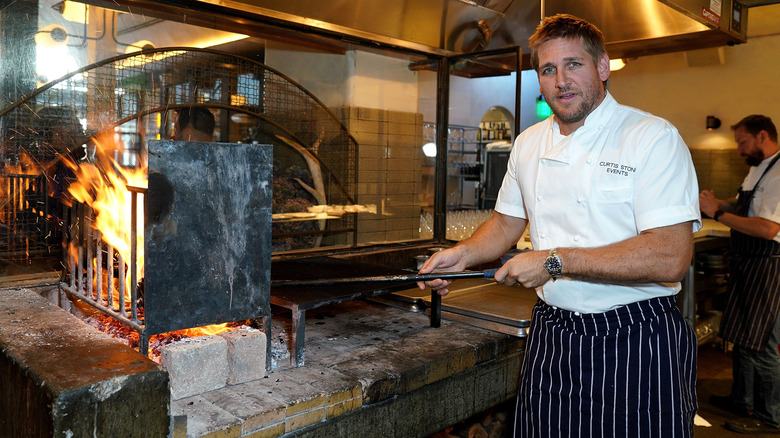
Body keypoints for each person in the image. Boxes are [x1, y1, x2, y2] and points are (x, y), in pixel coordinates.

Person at [418, 14, 701, 437]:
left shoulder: (651, 137)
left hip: (636, 335)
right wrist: (462, 255)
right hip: (555, 332)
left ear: (602, 67)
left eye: (574, 65)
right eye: (548, 69)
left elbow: (671, 257)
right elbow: (505, 222)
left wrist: (553, 261)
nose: (561, 80)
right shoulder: (529, 142)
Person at [699, 114, 780, 434]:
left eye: (742, 142)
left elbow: (767, 227)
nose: (738, 150)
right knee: (745, 340)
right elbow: (744, 206)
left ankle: (770, 415)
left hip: (768, 265)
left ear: (763, 136)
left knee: (762, 343)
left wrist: (717, 213)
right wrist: (717, 202)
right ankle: (742, 399)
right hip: (750, 264)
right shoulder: (759, 169)